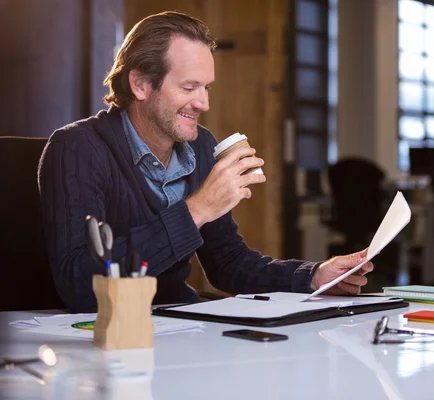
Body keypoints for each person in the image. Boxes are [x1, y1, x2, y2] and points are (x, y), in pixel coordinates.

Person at [38, 11, 373, 313]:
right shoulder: (77, 148)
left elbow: (227, 262)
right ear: (139, 84)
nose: (203, 103)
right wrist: (198, 209)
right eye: (190, 87)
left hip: (179, 325)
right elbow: (79, 285)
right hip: (105, 337)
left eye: (207, 87)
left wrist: (314, 276)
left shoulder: (200, 147)